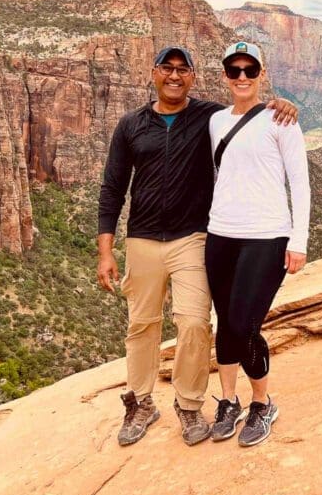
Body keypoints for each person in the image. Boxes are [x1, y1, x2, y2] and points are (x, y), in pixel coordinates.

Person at [97, 46, 296, 447]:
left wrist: (283, 103)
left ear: (192, 76)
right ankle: (140, 403)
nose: (174, 76)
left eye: (182, 70)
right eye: (167, 69)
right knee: (142, 325)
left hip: (193, 238)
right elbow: (112, 188)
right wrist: (105, 250)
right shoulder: (130, 124)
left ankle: (189, 405)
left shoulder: (209, 116)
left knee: (193, 323)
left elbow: (248, 108)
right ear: (153, 73)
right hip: (141, 239)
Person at [205, 41, 310, 447]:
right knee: (224, 322)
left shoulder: (282, 120)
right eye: (235, 70)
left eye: (250, 70)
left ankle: (262, 403)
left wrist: (298, 240)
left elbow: (299, 184)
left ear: (262, 74)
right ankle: (228, 401)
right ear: (225, 76)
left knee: (246, 324)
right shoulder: (215, 121)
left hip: (267, 237)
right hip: (221, 234)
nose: (243, 77)